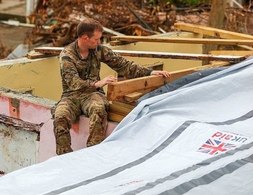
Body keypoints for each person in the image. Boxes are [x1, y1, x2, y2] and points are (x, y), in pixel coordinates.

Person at [53, 18, 170, 155]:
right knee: (60, 116)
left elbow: (123, 65)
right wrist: (98, 83)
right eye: (96, 39)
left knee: (98, 109)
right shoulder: (67, 56)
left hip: (92, 95)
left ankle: (93, 153)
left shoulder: (98, 50)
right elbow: (73, 82)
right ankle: (63, 156)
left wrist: (149, 72)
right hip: (71, 96)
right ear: (85, 37)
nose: (99, 42)